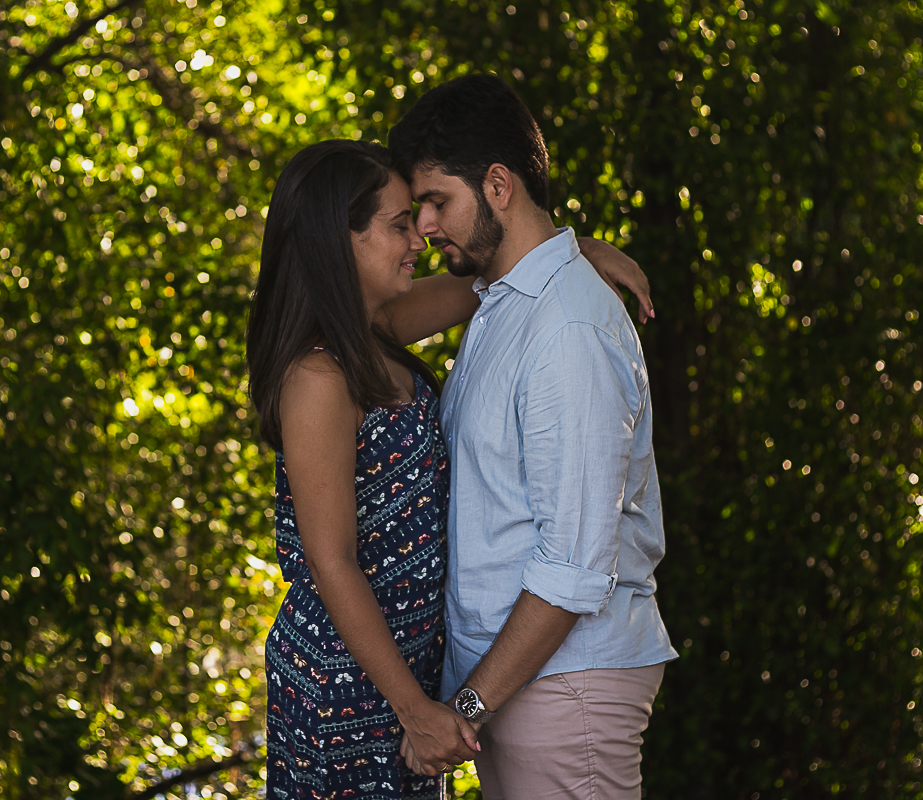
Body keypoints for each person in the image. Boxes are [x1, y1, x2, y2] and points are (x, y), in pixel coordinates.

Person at [245, 139, 654, 800]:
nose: (419, 238)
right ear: (335, 241)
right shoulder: (318, 377)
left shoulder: (377, 332)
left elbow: (495, 278)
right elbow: (332, 562)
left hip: (407, 668)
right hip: (349, 681)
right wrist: (414, 707)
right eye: (398, 225)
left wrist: (580, 255)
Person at [389, 74, 677, 799]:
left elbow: (572, 566)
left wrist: (465, 709)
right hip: (525, 685)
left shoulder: (567, 329)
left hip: (564, 690)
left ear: (497, 185)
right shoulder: (506, 302)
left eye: (437, 202)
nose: (424, 226)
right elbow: (352, 319)